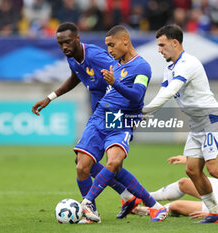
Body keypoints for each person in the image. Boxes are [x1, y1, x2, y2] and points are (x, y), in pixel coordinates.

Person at [142, 24, 218, 224]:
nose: (159, 50)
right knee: (191, 169)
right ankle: (215, 212)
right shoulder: (170, 69)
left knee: (214, 169)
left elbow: (170, 92)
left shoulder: (189, 63)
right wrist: (145, 114)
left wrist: (144, 110)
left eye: (162, 45)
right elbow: (162, 93)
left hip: (212, 120)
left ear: (175, 42)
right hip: (198, 125)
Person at [31, 22, 139, 222]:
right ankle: (127, 198)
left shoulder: (96, 56)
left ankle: (131, 201)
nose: (64, 47)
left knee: (104, 163)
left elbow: (121, 74)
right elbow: (75, 77)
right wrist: (50, 97)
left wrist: (130, 111)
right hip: (99, 113)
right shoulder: (73, 58)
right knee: (85, 163)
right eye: (60, 43)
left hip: (112, 114)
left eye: (68, 42)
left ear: (77, 39)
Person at [78, 25, 168, 222]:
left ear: (125, 40)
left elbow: (137, 97)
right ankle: (150, 204)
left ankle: (87, 204)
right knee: (83, 165)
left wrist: (114, 83)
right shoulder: (116, 65)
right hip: (100, 117)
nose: (109, 50)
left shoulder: (142, 66)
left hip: (120, 120)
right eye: (107, 46)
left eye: (112, 45)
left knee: (114, 162)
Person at [133, 135, 218, 220]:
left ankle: (149, 210)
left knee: (177, 206)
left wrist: (213, 214)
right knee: (184, 183)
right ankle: (146, 197)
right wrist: (188, 159)